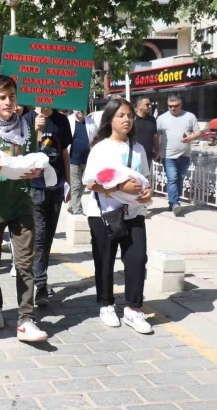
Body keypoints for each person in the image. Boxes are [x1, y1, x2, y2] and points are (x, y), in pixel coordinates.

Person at [0, 75, 48, 342]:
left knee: (25, 263)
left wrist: (34, 171)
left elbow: (33, 160)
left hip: (22, 204)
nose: (8, 101)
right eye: (2, 97)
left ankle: (26, 319)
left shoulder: (26, 129)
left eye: (12, 96)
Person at [84, 98, 153, 334]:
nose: (126, 120)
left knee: (137, 259)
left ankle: (134, 308)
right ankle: (106, 304)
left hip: (133, 213)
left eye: (129, 116)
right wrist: (117, 189)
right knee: (104, 260)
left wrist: (147, 193)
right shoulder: (100, 148)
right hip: (104, 214)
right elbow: (90, 182)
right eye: (121, 115)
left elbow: (145, 177)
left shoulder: (138, 148)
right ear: (110, 120)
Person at [22, 107, 72, 307]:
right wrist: (36, 132)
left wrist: (68, 182)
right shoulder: (26, 119)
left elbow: (64, 153)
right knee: (39, 236)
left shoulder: (62, 120)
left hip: (56, 186)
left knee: (48, 235)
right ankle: (39, 285)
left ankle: (39, 278)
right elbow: (22, 153)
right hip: (35, 187)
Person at [157, 94, 201, 215]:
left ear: (181, 105)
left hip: (184, 154)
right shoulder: (161, 118)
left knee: (180, 180)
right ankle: (176, 203)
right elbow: (156, 135)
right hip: (167, 155)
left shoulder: (190, 116)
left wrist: (190, 138)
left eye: (175, 106)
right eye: (170, 106)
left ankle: (172, 204)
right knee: (172, 179)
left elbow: (198, 132)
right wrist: (156, 151)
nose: (172, 108)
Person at [67, 110, 97, 215]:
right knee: (75, 185)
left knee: (83, 184)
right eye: (77, 108)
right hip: (73, 160)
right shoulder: (69, 121)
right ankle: (77, 211)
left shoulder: (91, 122)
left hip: (87, 160)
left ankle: (72, 206)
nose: (80, 111)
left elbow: (96, 138)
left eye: (82, 108)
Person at [134, 97, 160, 172]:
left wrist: (157, 151)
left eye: (150, 104)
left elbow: (155, 136)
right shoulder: (132, 119)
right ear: (139, 106)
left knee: (144, 179)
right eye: (147, 104)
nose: (150, 106)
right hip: (135, 155)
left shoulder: (152, 120)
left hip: (147, 155)